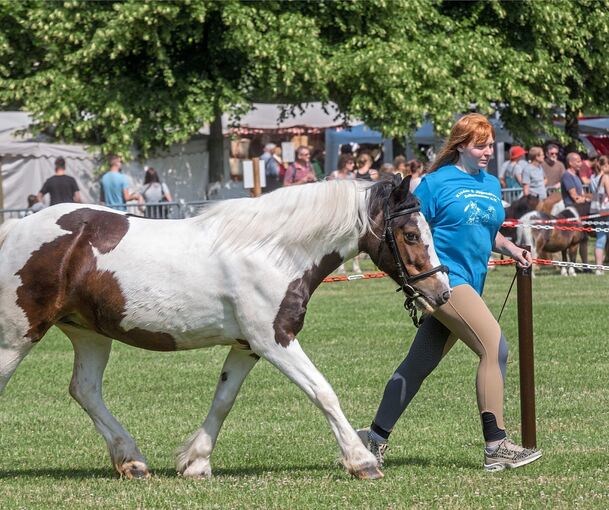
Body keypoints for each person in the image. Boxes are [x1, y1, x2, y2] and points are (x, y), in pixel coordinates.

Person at [359, 113, 541, 471]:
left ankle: (373, 439)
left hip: (473, 283)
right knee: (494, 345)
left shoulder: (490, 184)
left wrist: (512, 249)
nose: (488, 150)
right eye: (481, 145)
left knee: (417, 365)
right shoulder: (435, 183)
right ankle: (496, 445)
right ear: (461, 146)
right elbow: (410, 231)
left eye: (490, 144)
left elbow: (488, 231)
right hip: (445, 281)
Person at [590, 156, 609, 275]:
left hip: (597, 211)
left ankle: (599, 267)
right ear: (604, 166)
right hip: (606, 210)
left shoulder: (593, 178)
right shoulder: (606, 177)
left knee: (600, 239)